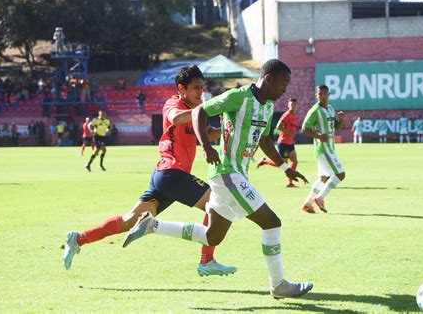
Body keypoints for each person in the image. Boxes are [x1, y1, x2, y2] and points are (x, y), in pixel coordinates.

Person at [123, 59, 314, 299]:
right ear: (268, 78)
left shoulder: (266, 107)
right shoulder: (239, 96)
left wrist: (285, 167)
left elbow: (265, 140)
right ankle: (279, 285)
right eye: (283, 83)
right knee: (272, 223)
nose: (285, 89)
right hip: (227, 173)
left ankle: (153, 225)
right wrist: (206, 146)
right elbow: (201, 111)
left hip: (235, 175)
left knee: (213, 235)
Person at [64, 65, 236, 276]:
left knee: (129, 221)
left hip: (164, 177)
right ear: (181, 88)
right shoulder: (174, 103)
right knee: (217, 204)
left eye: (202, 87)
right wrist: (208, 107)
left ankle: (79, 238)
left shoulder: (196, 108)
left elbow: (208, 135)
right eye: (195, 88)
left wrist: (229, 129)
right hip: (172, 173)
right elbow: (175, 118)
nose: (200, 92)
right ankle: (206, 260)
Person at [300, 85, 347, 214]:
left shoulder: (330, 109)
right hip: (323, 149)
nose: (324, 96)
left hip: (330, 148)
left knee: (324, 178)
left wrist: (342, 120)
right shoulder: (315, 110)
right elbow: (304, 128)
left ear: (329, 95)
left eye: (326, 93)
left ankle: (308, 204)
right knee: (340, 174)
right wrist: (319, 136)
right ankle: (320, 198)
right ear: (316, 95)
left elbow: (336, 128)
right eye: (321, 94)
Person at [257, 98, 299, 187]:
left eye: (295, 105)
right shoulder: (286, 115)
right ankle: (264, 161)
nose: (293, 106)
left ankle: (290, 182)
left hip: (290, 143)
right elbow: (278, 126)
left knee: (294, 161)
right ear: (288, 105)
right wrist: (289, 133)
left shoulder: (294, 116)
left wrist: (295, 132)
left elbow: (292, 128)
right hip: (283, 143)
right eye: (292, 105)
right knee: (282, 164)